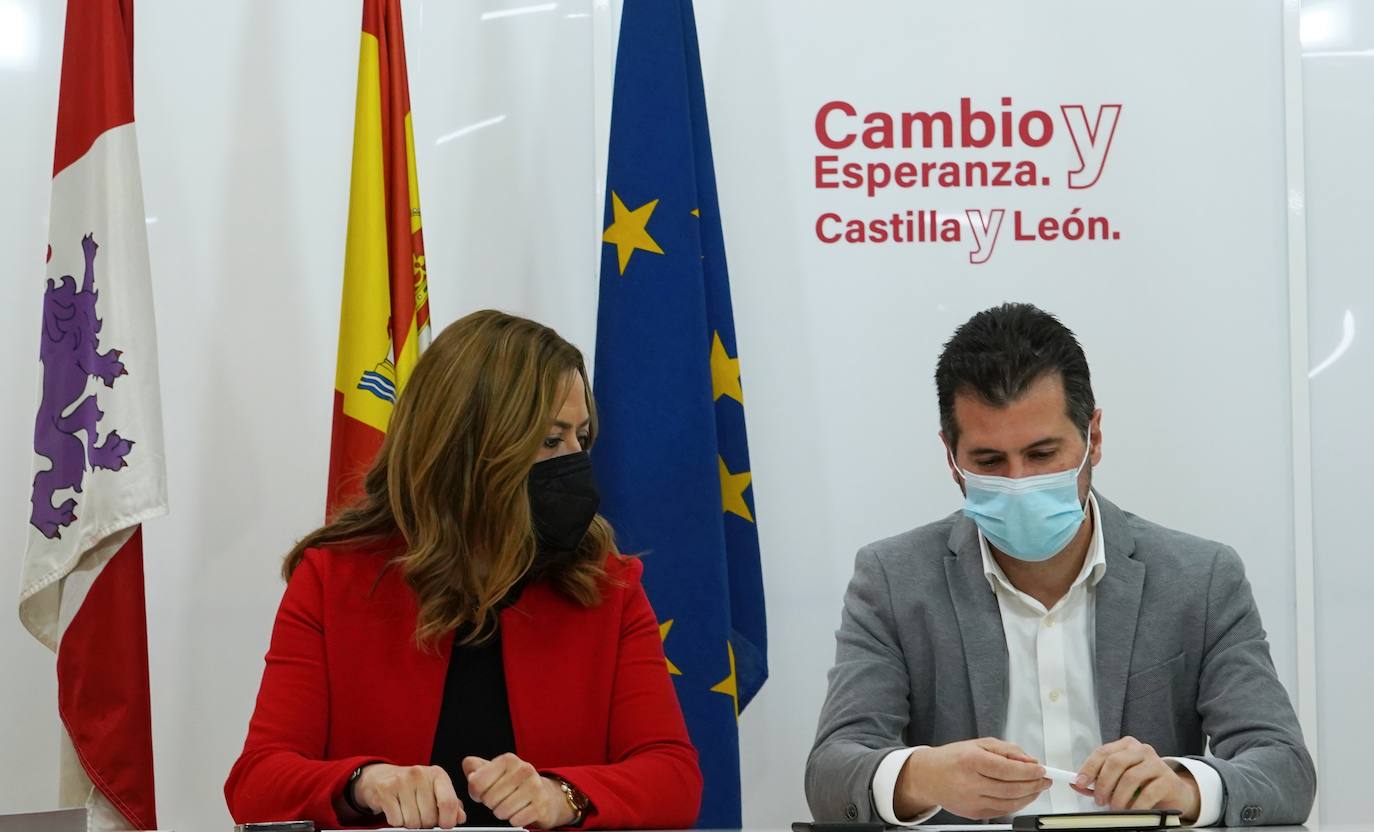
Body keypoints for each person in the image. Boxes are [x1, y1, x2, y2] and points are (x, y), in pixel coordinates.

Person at [805, 303, 1315, 827]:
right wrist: (919, 776)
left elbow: (1285, 769)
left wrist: (1185, 786)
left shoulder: (1200, 577)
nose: (1019, 482)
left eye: (1043, 454)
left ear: (1092, 437)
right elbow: (830, 773)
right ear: (950, 457)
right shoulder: (892, 580)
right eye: (988, 462)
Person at [225, 310, 702, 830]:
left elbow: (673, 778)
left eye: (581, 439)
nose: (575, 462)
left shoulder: (606, 585)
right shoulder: (333, 579)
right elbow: (257, 783)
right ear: (468, 447)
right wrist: (366, 782)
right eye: (550, 441)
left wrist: (560, 794)